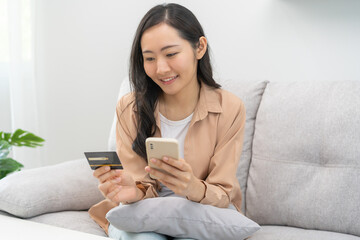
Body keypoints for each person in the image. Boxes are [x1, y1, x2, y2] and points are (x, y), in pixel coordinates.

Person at [89, 3, 246, 240]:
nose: (161, 69)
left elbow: (223, 191)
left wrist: (191, 186)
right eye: (149, 58)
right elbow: (140, 184)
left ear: (199, 47)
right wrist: (133, 190)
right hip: (144, 212)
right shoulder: (129, 108)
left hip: (201, 211)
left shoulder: (229, 108)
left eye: (171, 54)